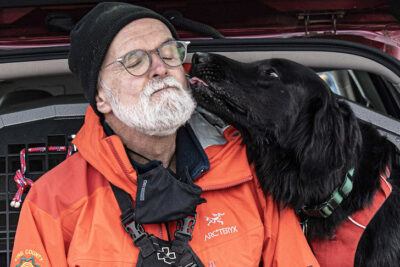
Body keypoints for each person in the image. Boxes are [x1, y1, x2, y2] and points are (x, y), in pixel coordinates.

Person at [11, 2, 319, 267]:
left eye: (169, 53)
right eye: (134, 61)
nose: (160, 67)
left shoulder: (248, 174)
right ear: (101, 98)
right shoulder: (52, 202)